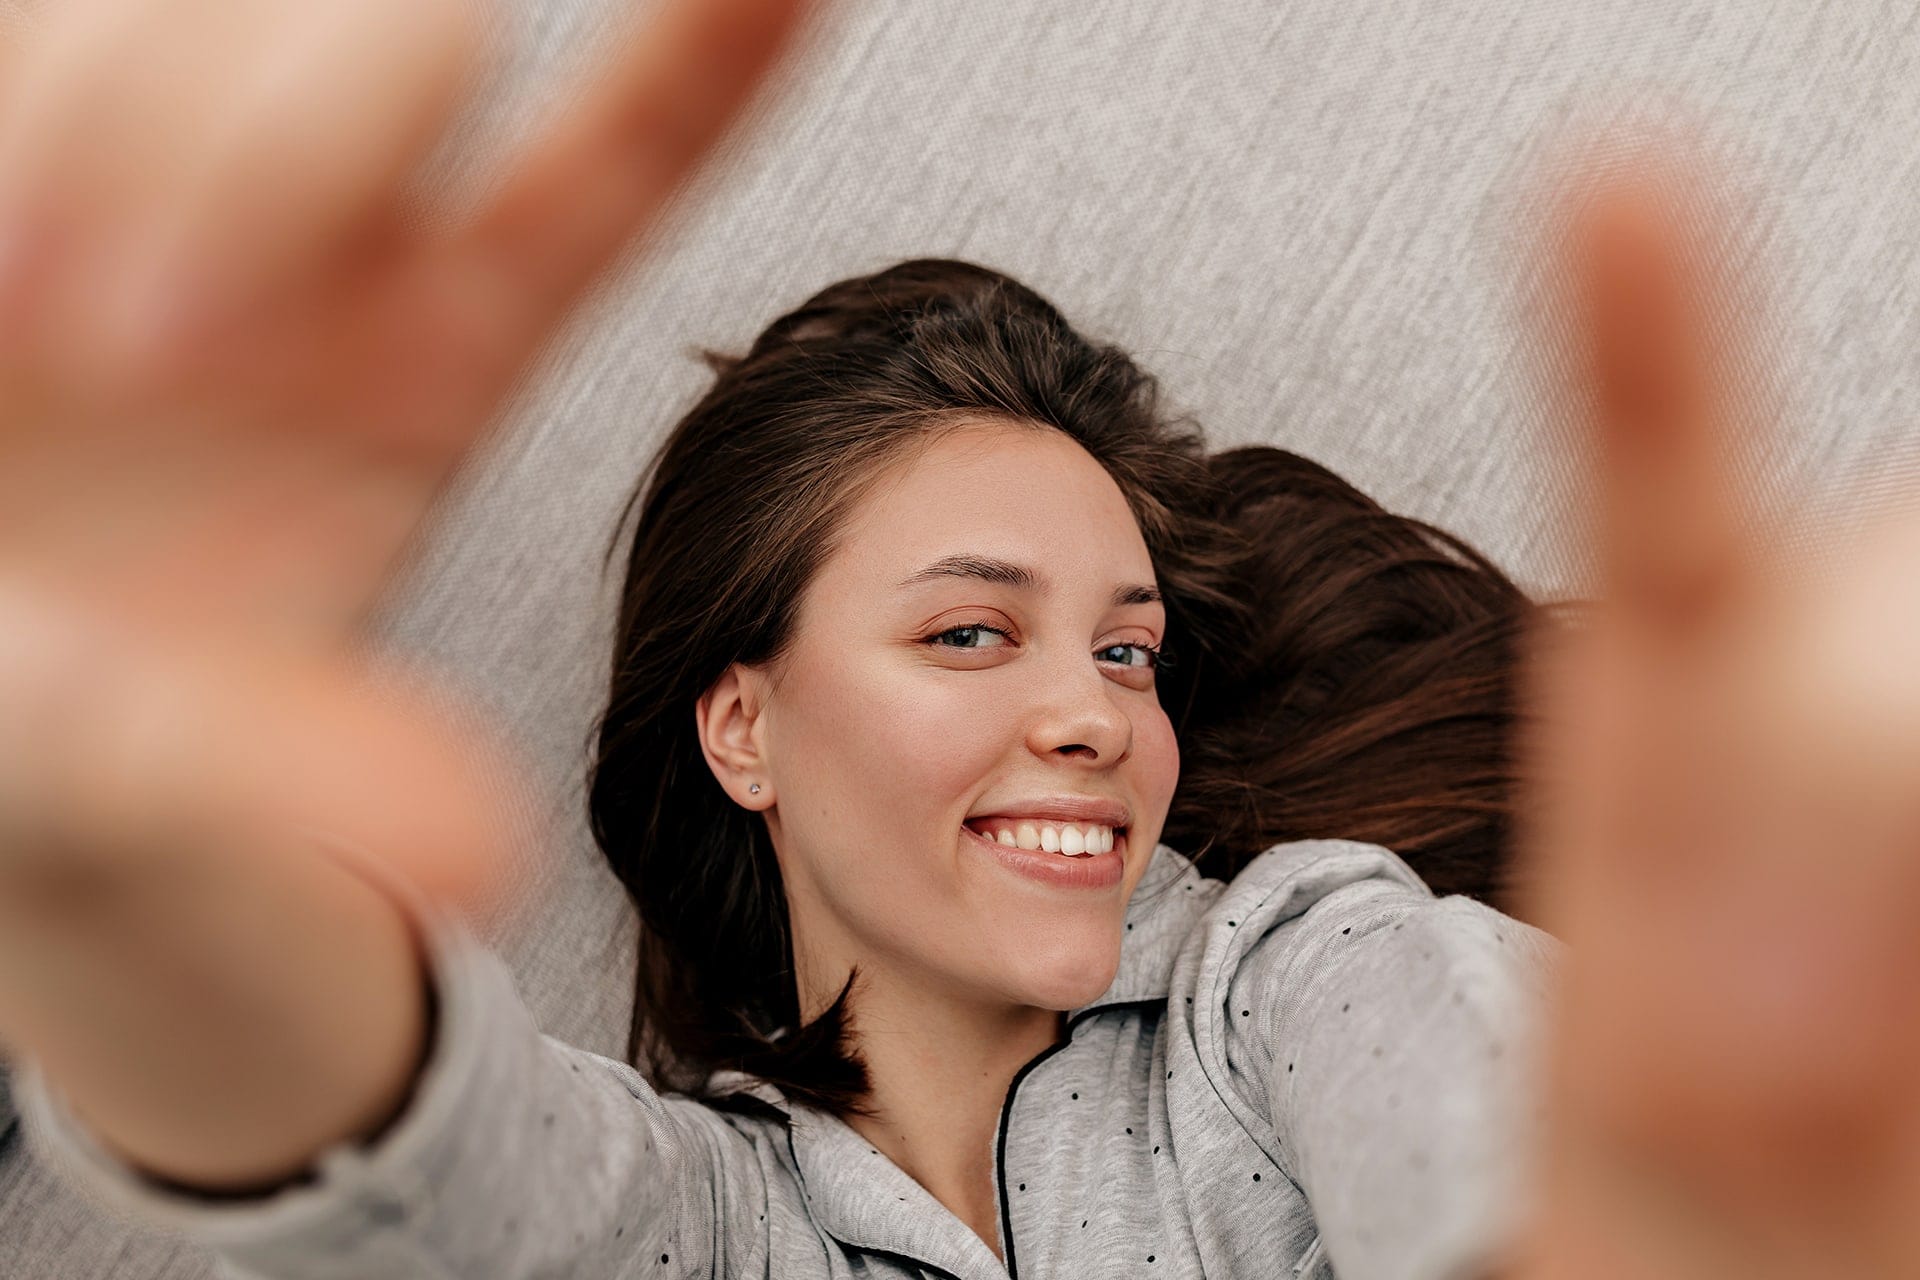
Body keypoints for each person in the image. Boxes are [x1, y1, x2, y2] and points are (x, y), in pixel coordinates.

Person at [0, 1, 1914, 1278]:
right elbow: (399, 1151)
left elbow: (1493, 1151)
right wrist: (92, 866)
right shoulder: (720, 1219)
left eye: (1128, 652)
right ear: (743, 727)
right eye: (974, 631)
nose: (1093, 713)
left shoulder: (1301, 968)